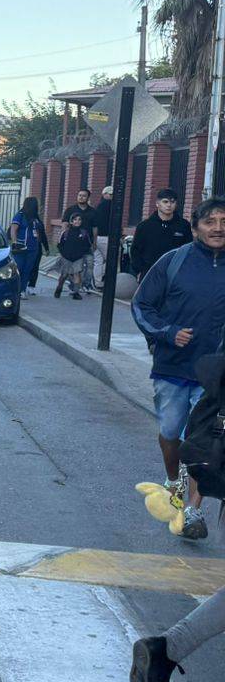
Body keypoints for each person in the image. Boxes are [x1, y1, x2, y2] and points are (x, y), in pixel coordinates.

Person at [130, 197, 225, 541]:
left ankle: (193, 510)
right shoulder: (174, 261)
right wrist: (168, 333)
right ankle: (174, 482)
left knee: (202, 441)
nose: (218, 228)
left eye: (224, 222)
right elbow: (141, 305)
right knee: (171, 432)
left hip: (215, 374)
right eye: (210, 222)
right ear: (196, 227)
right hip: (172, 367)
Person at [130, 188, 192, 283]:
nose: (169, 205)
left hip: (175, 274)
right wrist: (139, 270)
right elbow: (135, 250)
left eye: (172, 202)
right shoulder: (145, 226)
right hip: (149, 273)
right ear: (157, 203)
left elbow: (188, 249)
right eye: (165, 201)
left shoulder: (183, 225)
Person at [8, 196, 50, 296]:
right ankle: (15, 289)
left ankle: (22, 290)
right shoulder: (20, 215)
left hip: (33, 248)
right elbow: (13, 229)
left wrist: (43, 246)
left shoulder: (35, 218)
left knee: (28, 269)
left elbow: (40, 232)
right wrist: (15, 242)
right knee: (19, 269)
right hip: (21, 247)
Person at [54, 209, 92, 300]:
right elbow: (60, 245)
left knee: (77, 274)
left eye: (79, 220)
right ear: (71, 221)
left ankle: (76, 292)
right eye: (75, 219)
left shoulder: (83, 233)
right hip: (66, 257)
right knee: (64, 275)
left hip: (78, 258)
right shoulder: (66, 233)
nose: (77, 221)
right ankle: (59, 287)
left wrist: (81, 253)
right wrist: (64, 254)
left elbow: (87, 245)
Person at [91, 184, 115, 291]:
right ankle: (99, 279)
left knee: (98, 260)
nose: (112, 196)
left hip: (97, 237)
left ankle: (97, 282)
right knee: (111, 260)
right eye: (110, 194)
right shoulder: (111, 206)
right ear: (104, 194)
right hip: (106, 237)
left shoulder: (98, 206)